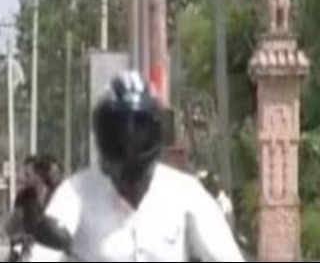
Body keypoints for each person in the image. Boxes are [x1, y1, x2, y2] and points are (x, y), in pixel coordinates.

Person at [29, 71, 244, 262]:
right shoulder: (75, 192)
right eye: (118, 130)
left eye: (139, 129)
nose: (129, 139)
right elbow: (43, 254)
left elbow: (225, 256)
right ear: (103, 133)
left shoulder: (186, 193)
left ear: (155, 132)